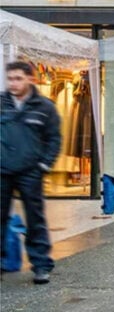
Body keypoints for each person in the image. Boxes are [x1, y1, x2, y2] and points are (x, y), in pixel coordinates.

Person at [1, 61, 62, 284]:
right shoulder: (2, 103)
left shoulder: (44, 107)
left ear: (30, 79)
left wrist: (44, 165)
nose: (13, 83)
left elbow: (54, 139)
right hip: (3, 170)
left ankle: (41, 264)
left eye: (18, 78)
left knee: (35, 218)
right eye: (10, 78)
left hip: (30, 171)